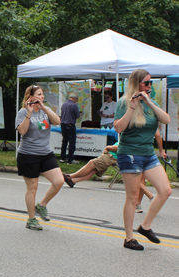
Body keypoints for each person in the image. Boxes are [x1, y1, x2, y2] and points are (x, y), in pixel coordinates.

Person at [114, 69, 172, 250]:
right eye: (146, 83)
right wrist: (132, 107)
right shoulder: (124, 102)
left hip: (148, 154)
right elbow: (118, 128)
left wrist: (149, 101)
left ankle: (145, 226)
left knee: (165, 191)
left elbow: (166, 119)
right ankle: (129, 238)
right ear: (136, 84)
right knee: (132, 198)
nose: (149, 86)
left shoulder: (150, 102)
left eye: (151, 83)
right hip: (130, 154)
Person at [15, 85, 64, 231]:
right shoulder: (23, 112)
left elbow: (57, 122)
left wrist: (45, 108)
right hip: (28, 154)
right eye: (39, 94)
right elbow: (22, 131)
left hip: (45, 153)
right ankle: (31, 219)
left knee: (59, 181)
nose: (42, 97)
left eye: (42, 94)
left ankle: (41, 206)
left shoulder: (45, 111)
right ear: (30, 97)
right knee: (33, 187)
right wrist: (29, 113)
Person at [63, 141, 155, 213]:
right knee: (95, 170)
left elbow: (121, 148)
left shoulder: (130, 131)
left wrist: (108, 147)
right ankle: (73, 180)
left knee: (92, 163)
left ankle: (70, 176)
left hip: (114, 156)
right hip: (134, 157)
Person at [60, 92, 81, 164]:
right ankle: (70, 159)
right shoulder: (74, 105)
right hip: (70, 125)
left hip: (63, 125)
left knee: (64, 141)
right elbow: (77, 116)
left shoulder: (64, 104)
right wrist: (79, 114)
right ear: (75, 98)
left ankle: (62, 157)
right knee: (72, 142)